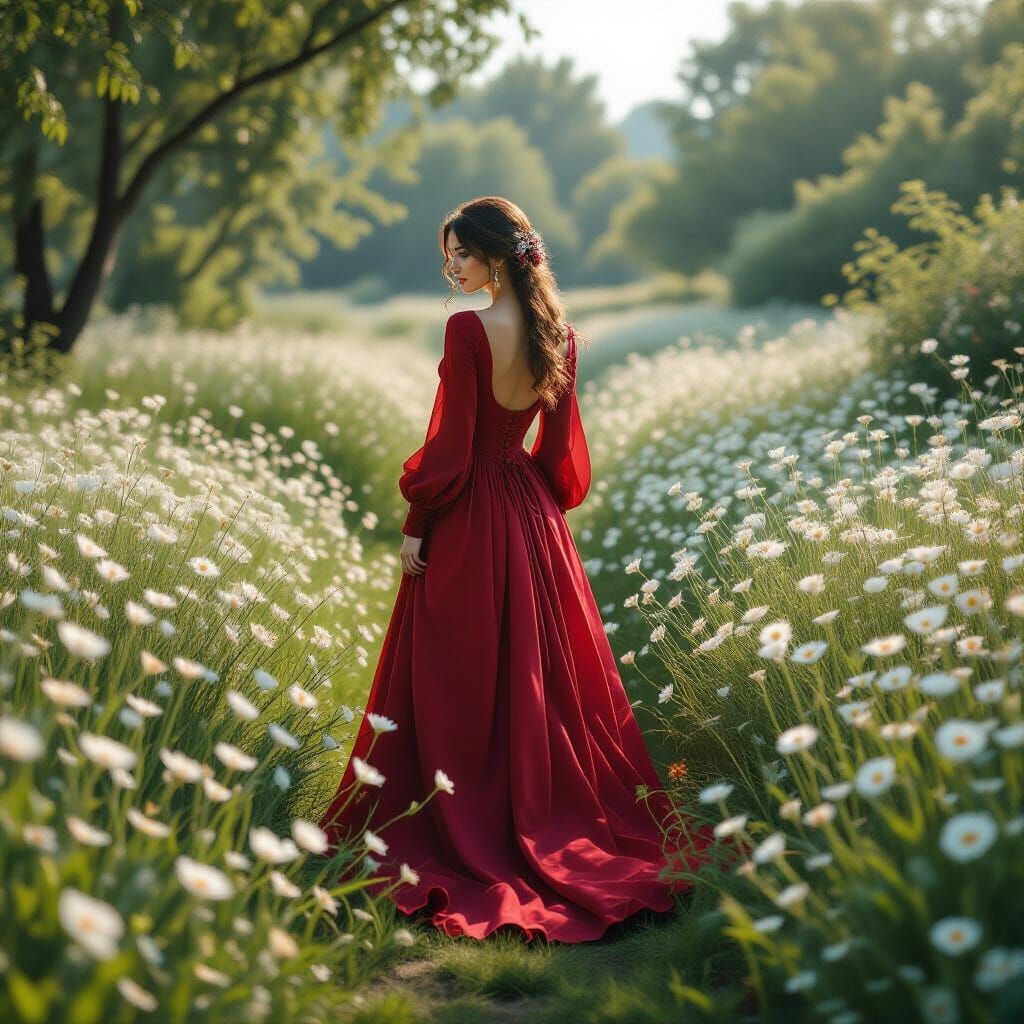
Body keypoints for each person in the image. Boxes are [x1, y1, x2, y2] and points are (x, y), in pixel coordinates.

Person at [320, 195, 709, 943]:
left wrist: (416, 520)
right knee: (539, 674)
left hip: (470, 515)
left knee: (454, 670)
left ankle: (463, 820)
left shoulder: (468, 328)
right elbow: (561, 459)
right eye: (448, 256)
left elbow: (452, 449)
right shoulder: (559, 334)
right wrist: (540, 506)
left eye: (460, 254)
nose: (451, 268)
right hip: (531, 515)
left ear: (496, 257)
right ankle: (539, 808)